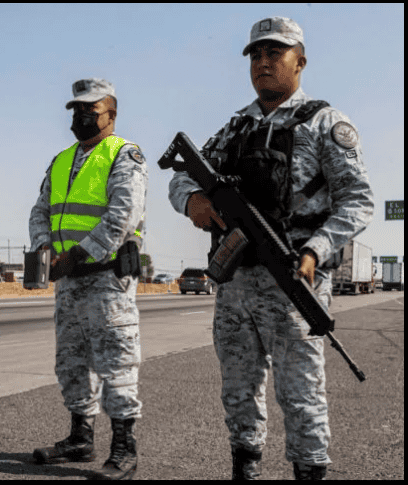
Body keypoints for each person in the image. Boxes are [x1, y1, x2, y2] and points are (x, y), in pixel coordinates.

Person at [168, 17, 374, 480]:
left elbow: (359, 201)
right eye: (255, 55)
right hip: (236, 283)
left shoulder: (325, 123)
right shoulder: (235, 127)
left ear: (299, 62)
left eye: (274, 53)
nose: (263, 62)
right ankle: (246, 466)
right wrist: (192, 201)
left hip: (293, 281)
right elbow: (183, 172)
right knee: (238, 390)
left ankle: (309, 472)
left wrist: (316, 249)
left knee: (301, 395)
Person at [27, 78, 148, 480]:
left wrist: (75, 256)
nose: (81, 118)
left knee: (117, 366)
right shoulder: (61, 160)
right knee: (72, 362)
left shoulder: (124, 155)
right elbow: (39, 210)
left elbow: (122, 216)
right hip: (68, 283)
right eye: (75, 112)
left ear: (111, 115)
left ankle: (123, 450)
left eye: (90, 111)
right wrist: (45, 251)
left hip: (105, 280)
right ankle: (81, 438)